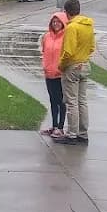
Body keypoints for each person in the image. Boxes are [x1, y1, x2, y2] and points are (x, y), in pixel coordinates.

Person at [58, 0, 96, 144]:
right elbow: (92, 47)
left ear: (67, 12)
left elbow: (68, 51)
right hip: (85, 64)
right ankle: (83, 132)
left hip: (72, 66)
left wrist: (61, 65)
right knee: (82, 101)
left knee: (71, 101)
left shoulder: (72, 27)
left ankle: (72, 133)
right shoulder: (88, 25)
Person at [39, 9, 67, 138]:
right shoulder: (46, 36)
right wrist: (44, 66)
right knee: (52, 100)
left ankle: (60, 127)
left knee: (61, 101)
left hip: (60, 74)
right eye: (54, 21)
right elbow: (44, 52)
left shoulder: (66, 37)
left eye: (58, 21)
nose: (56, 24)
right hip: (49, 73)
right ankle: (54, 125)